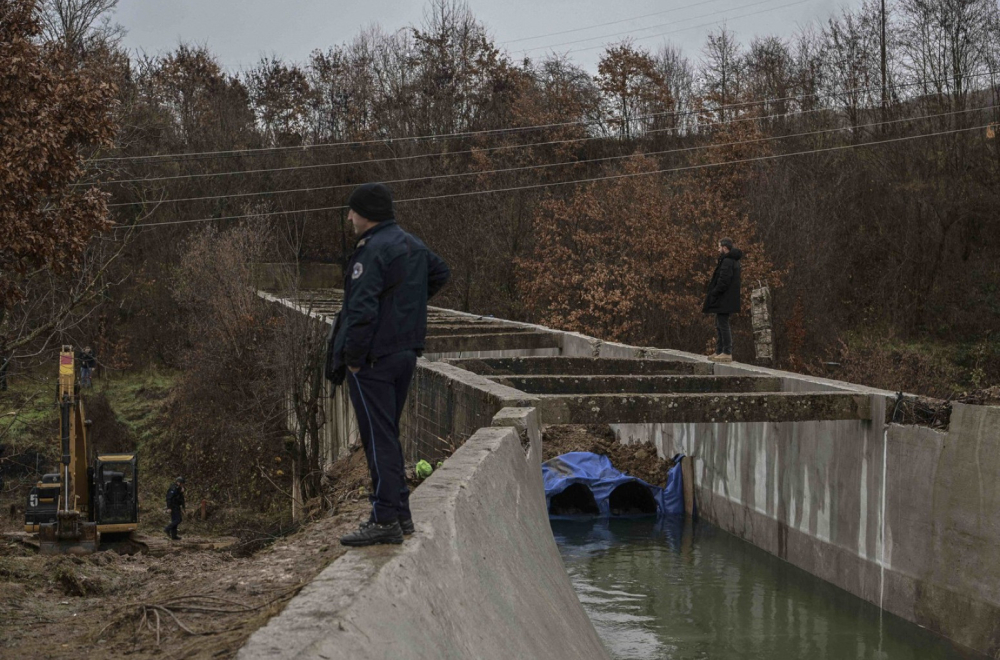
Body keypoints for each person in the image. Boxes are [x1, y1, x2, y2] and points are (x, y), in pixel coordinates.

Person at [327, 182, 450, 547]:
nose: (349, 217)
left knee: (378, 440)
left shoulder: (372, 251)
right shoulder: (411, 244)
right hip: (405, 354)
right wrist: (405, 307)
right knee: (388, 436)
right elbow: (440, 273)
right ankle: (400, 515)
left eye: (352, 210)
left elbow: (361, 311)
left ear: (366, 213)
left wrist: (353, 361)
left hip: (374, 361)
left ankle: (383, 520)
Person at [702, 238, 743, 363]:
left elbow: (723, 281)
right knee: (719, 324)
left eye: (719, 247)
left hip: (724, 298)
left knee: (723, 324)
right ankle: (719, 351)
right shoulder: (732, 261)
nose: (718, 249)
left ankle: (726, 352)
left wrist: (714, 293)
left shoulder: (727, 261)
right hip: (726, 298)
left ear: (725, 248)